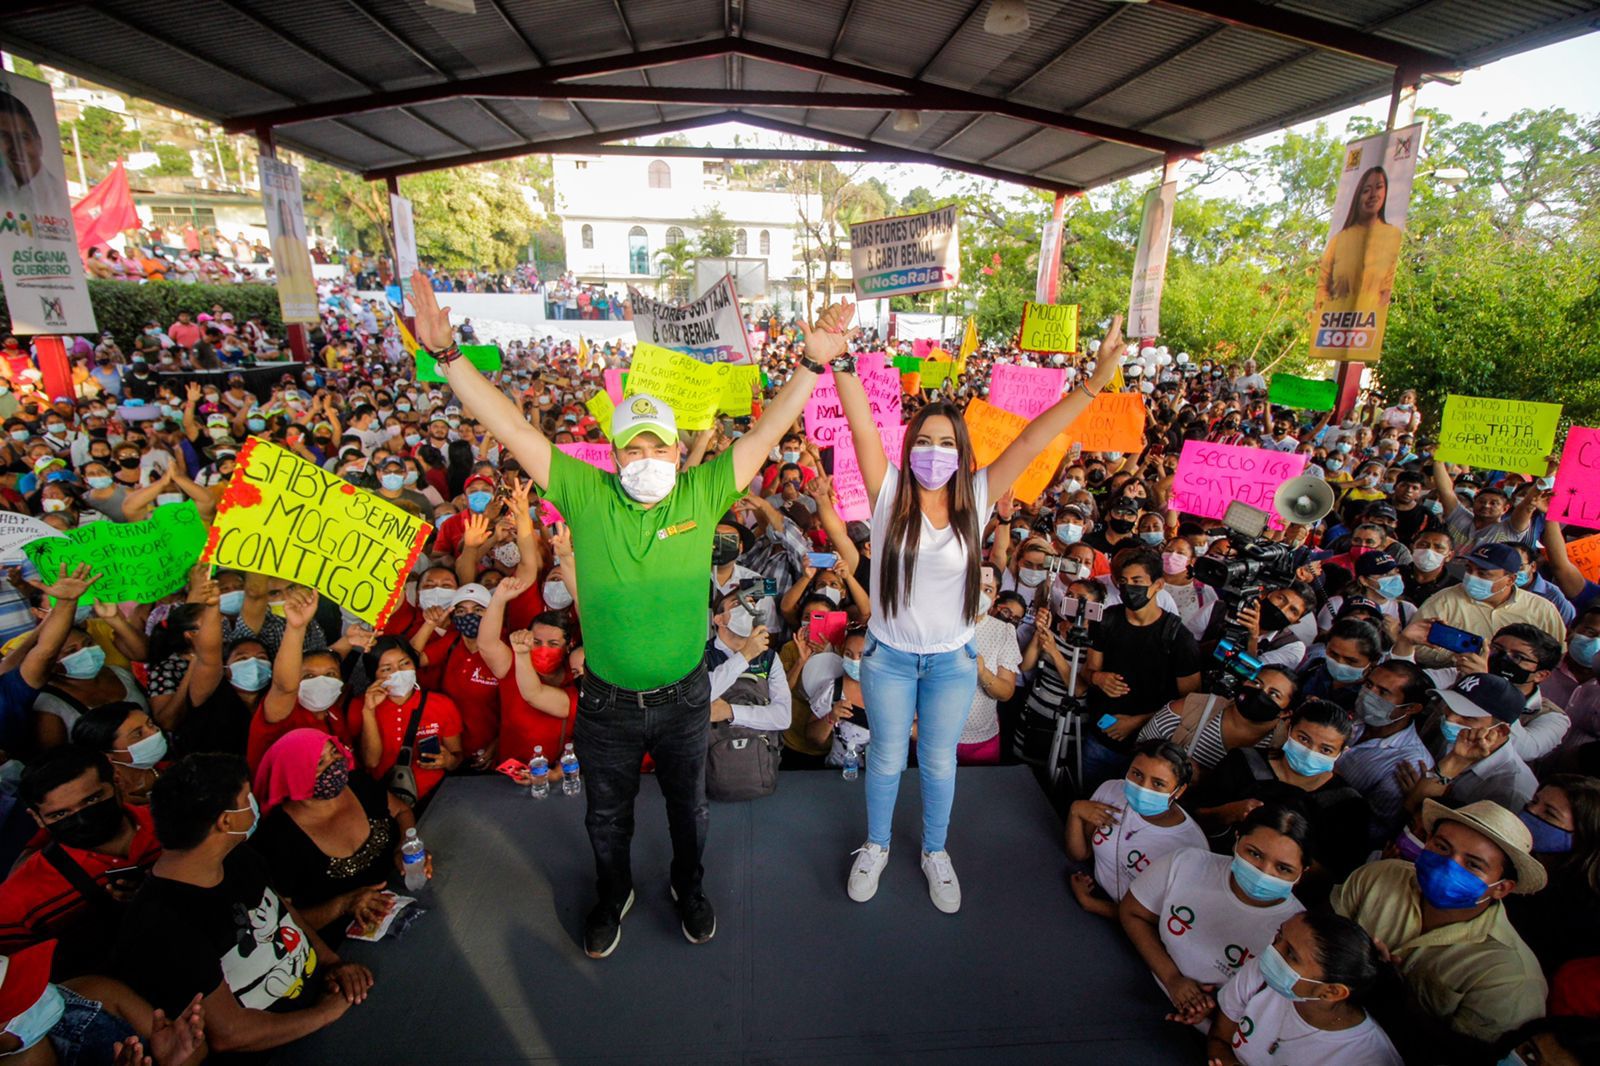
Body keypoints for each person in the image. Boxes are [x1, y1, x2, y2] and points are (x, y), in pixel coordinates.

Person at [408, 271, 850, 959]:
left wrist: (814, 364)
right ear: (613, 458)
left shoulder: (703, 493)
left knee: (689, 809)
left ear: (679, 451)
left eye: (657, 447)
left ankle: (688, 884)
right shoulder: (586, 494)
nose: (646, 459)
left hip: (684, 699)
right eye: (632, 449)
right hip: (606, 704)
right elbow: (513, 426)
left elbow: (767, 432)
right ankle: (612, 892)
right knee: (604, 816)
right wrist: (448, 356)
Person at [835, 315, 1121, 915]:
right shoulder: (887, 493)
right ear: (906, 446)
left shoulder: (979, 496)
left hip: (951, 663)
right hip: (887, 660)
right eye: (923, 440)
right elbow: (861, 424)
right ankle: (877, 845)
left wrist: (1093, 384)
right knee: (887, 758)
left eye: (946, 443)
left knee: (938, 763)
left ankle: (935, 852)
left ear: (962, 453)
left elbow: (1032, 438)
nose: (933, 452)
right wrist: (839, 362)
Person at [113, 753, 373, 1057]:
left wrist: (332, 964)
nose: (253, 802)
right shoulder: (161, 923)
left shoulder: (237, 856)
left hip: (327, 999)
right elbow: (231, 1033)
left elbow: (281, 912)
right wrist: (326, 1013)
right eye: (246, 797)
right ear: (226, 821)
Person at [1332, 799, 1548, 1048]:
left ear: (1501, 888)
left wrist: (1393, 998)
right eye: (1442, 847)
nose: (1449, 865)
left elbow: (1462, 1056)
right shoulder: (1380, 876)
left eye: (1473, 865)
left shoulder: (1510, 978)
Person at [1120, 804, 1310, 1025]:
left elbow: (1271, 1014)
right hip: (1137, 974)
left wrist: (1213, 1011)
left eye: (1283, 868)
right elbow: (1133, 912)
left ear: (1302, 874)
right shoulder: (1187, 863)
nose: (1263, 872)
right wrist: (1172, 979)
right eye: (1254, 854)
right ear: (1237, 839)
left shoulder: (1297, 934)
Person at [0, 747, 162, 979]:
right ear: (37, 818)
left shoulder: (179, 824)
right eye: (59, 815)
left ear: (117, 780)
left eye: (93, 799)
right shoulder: (19, 897)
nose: (82, 818)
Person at [251, 729, 424, 940]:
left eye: (334, 752)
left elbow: (402, 811)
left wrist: (405, 846)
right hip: (346, 943)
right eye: (321, 763)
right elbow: (285, 920)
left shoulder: (358, 784)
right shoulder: (278, 837)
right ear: (295, 775)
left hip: (407, 898)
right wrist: (343, 905)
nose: (335, 764)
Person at [1191, 699, 1370, 884]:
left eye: (1325, 749)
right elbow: (1195, 817)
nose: (1310, 752)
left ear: (1342, 752)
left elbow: (1335, 875)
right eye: (1304, 739)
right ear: (1288, 728)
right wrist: (1229, 813)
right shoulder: (1243, 762)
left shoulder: (1348, 806)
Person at [1078, 547, 1204, 789]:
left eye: (1137, 581)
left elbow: (1190, 701)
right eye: (1123, 582)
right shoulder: (1106, 621)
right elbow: (1088, 671)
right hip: (1099, 739)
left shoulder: (1178, 638)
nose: (1129, 588)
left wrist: (1136, 722)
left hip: (1149, 752)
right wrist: (1098, 678)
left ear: (1158, 585)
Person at [1208, 912, 1402, 1065]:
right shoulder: (1262, 974)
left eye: (1291, 954)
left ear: (1332, 991)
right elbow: (1219, 1039)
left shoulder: (1364, 1058)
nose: (1273, 951)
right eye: (1279, 937)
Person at [1066, 739, 1205, 917]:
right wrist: (1076, 812)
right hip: (1090, 889)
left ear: (1178, 791)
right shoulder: (1111, 790)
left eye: (1158, 783)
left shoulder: (1189, 847)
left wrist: (1091, 904)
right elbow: (1078, 854)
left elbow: (1156, 920)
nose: (1142, 787)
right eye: (1137, 774)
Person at [1503, 775, 1600, 976]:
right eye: (1534, 801)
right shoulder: (1511, 859)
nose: (1530, 811)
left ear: (1582, 835)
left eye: (1549, 813)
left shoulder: (1581, 912)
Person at [1334, 660, 1434, 846]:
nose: (1369, 695)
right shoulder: (1352, 719)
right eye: (1369, 685)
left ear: (1411, 708)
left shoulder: (1410, 763)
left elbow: (1374, 831)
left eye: (1383, 692)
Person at [354, 638, 462, 805]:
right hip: (384, 799)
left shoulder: (441, 704)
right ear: (374, 675)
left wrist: (448, 760)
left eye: (405, 663)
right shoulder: (360, 706)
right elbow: (371, 761)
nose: (398, 672)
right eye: (386, 669)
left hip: (433, 798)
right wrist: (369, 711)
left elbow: (456, 758)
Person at [1136, 668, 1297, 775]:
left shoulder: (1282, 747)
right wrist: (1173, 765)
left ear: (1285, 712)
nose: (1259, 693)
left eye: (1274, 694)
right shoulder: (1194, 706)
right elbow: (1140, 746)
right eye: (1256, 683)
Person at [956, 565, 1021, 765]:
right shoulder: (937, 625)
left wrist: (983, 672)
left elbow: (1006, 692)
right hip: (932, 734)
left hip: (980, 741)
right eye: (973, 585)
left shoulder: (1003, 632)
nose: (979, 594)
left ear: (995, 599)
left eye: (987, 590)